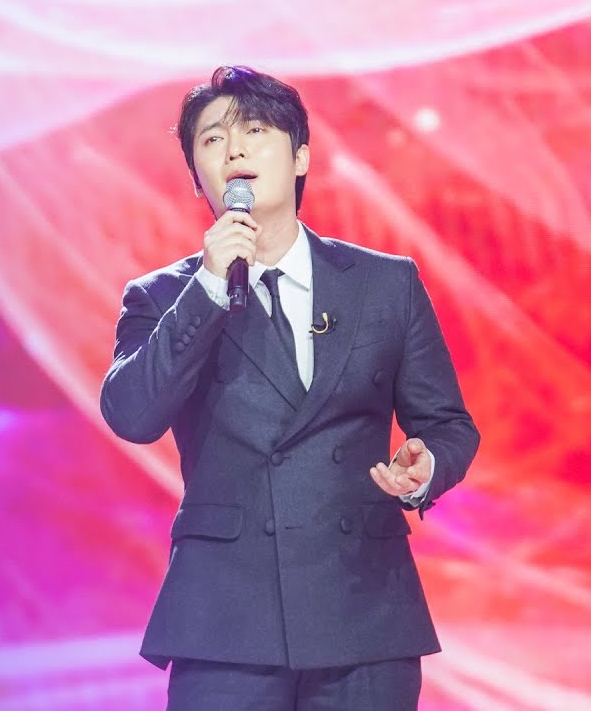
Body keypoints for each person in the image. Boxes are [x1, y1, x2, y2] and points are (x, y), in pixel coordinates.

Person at [99, 65, 480, 711]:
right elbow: (131, 413)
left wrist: (427, 467)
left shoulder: (384, 285)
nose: (234, 150)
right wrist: (209, 288)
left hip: (363, 612)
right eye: (212, 140)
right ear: (197, 178)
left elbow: (448, 424)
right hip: (226, 622)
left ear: (300, 156)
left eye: (254, 130)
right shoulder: (163, 297)